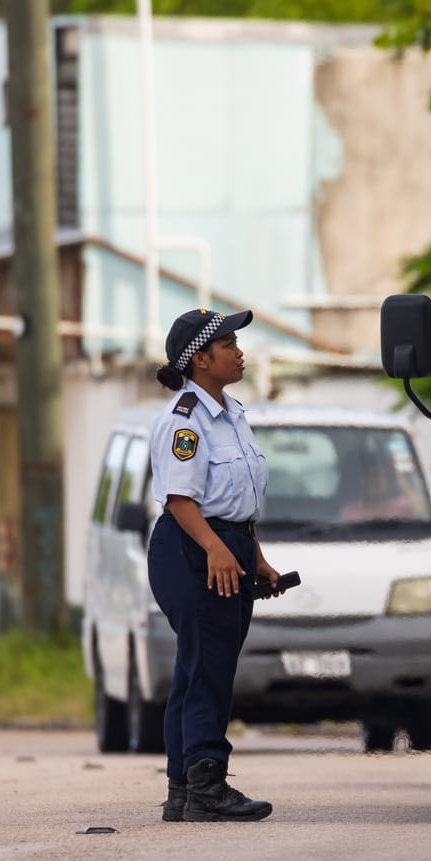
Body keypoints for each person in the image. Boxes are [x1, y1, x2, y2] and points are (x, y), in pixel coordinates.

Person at [148, 308, 283, 823]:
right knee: (208, 667)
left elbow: (237, 499)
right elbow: (181, 500)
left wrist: (256, 555)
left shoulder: (231, 413)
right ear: (200, 360)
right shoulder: (185, 420)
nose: (238, 351)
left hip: (224, 545)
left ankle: (184, 789)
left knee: (195, 668)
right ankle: (207, 785)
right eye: (227, 344)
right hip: (191, 549)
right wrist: (216, 550)